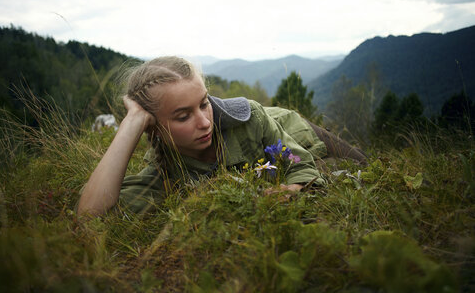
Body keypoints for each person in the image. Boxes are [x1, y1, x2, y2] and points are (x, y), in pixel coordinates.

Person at [77, 56, 366, 216]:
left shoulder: (252, 118)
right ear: (153, 126)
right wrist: (132, 123)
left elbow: (300, 164)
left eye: (204, 103)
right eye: (183, 116)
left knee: (362, 167)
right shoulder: (164, 172)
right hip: (274, 142)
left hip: (288, 127)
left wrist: (292, 188)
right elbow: (90, 212)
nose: (204, 122)